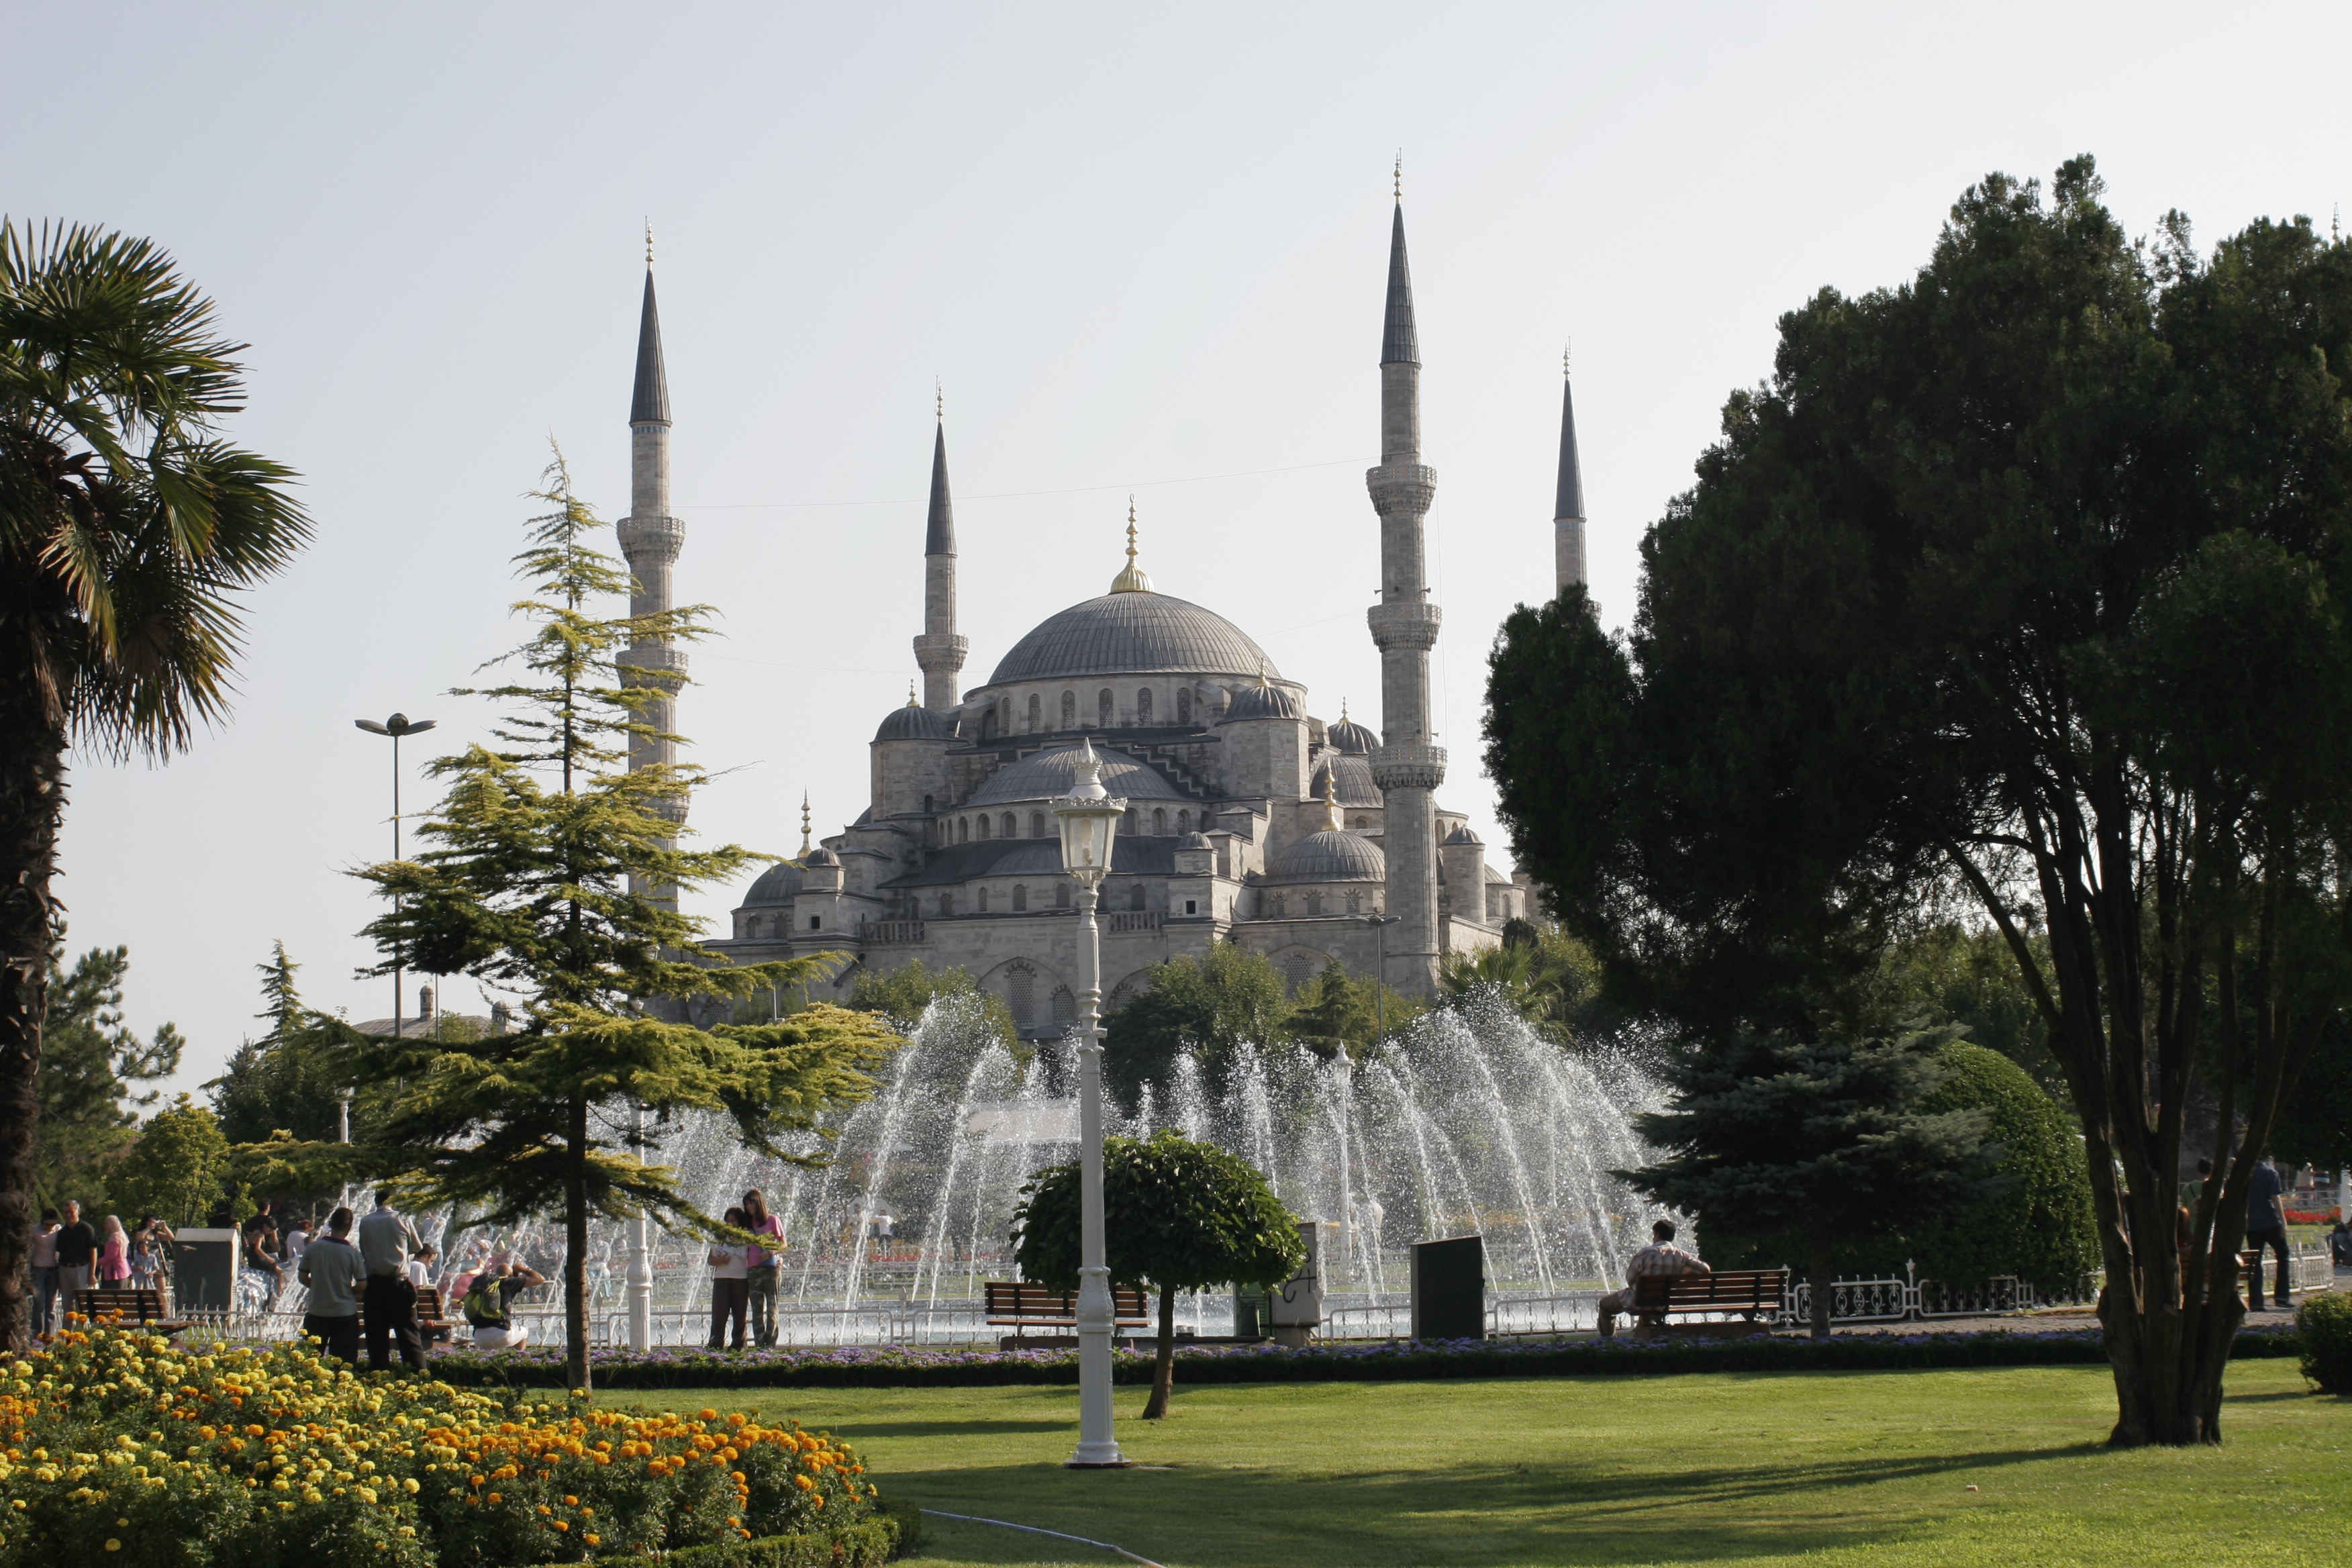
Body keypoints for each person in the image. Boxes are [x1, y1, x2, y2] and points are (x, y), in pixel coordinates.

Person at [1595, 1219, 1712, 1338]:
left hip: (1638, 1301)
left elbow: (1630, 1278)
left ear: (1657, 1234)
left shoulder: (1646, 1253)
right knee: (1647, 1311)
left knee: (1605, 1305)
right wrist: (1684, 1273)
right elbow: (1705, 1269)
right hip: (1663, 1302)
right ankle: (1643, 1339)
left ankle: (1608, 1341)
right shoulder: (1681, 1255)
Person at [357, 1189, 428, 1371]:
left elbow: (364, 1249)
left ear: (376, 1202)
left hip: (374, 1285)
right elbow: (416, 1247)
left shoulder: (365, 1221)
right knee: (409, 1334)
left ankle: (379, 1374)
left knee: (376, 1336)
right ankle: (416, 1374)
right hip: (399, 1283)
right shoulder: (402, 1218)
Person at [297, 1208, 368, 1364]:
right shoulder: (352, 1253)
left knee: (310, 1362)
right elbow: (362, 1283)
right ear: (349, 1227)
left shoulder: (313, 1248)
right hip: (344, 1314)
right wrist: (350, 1292)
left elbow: (302, 1277)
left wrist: (318, 1286)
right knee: (343, 1363)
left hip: (317, 1311)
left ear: (331, 1223)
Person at [462, 1258, 546, 1350]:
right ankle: (518, 1359)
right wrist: (523, 1269)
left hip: (479, 1337)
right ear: (509, 1276)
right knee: (524, 1332)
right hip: (501, 1334)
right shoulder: (508, 1282)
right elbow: (540, 1280)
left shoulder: (485, 1285)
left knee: (493, 1349)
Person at [2245, 1153, 2292, 1311]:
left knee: (2255, 1262)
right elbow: (2275, 1198)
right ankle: (2281, 1296)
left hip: (2252, 1224)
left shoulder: (2244, 1173)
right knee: (2283, 1255)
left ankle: (2256, 1302)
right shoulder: (2270, 1173)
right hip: (2270, 1221)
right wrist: (2284, 1222)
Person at [742, 1189, 787, 1348]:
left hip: (771, 1269)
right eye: (746, 1204)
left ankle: (770, 1344)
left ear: (758, 1203)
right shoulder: (747, 1224)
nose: (749, 1207)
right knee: (756, 1310)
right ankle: (760, 1344)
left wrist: (771, 1253)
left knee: (772, 1307)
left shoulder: (772, 1220)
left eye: (751, 1203)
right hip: (753, 1270)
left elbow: (783, 1244)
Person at [707, 1207, 750, 1351]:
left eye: (733, 1220)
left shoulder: (747, 1237)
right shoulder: (720, 1238)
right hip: (722, 1279)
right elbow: (710, 1260)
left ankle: (739, 1345)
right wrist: (721, 1261)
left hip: (741, 1279)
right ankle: (715, 1345)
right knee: (719, 1314)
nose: (730, 1224)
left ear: (740, 1221)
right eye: (728, 1221)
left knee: (740, 1315)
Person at [54, 1201, 97, 1316]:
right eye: (66, 1212)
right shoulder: (62, 1232)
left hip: (82, 1268)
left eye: (71, 1212)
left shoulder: (87, 1229)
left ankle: (81, 1331)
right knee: (66, 1305)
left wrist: (92, 1273)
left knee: (81, 1304)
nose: (68, 1215)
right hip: (65, 1269)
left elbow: (93, 1251)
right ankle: (67, 1332)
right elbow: (58, 1253)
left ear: (77, 1212)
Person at [28, 1212, 59, 1337]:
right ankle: (37, 1334)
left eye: (53, 1224)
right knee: (39, 1302)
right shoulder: (35, 1230)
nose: (50, 1227)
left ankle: (49, 1335)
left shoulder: (59, 1229)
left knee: (51, 1304)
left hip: (53, 1269)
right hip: (38, 1268)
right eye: (47, 1224)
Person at [130, 1216, 173, 1292]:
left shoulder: (157, 1234)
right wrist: (148, 1228)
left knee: (162, 1289)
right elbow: (139, 1238)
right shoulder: (141, 1233)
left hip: (156, 1263)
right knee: (143, 1288)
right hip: (144, 1264)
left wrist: (164, 1227)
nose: (153, 1223)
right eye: (151, 1221)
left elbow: (171, 1237)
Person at [96, 1216, 132, 1286]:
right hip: (123, 1271)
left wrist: (96, 1262)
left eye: (106, 1224)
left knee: (112, 1296)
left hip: (115, 1273)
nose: (105, 1226)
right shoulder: (122, 1235)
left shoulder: (115, 1237)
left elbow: (111, 1256)